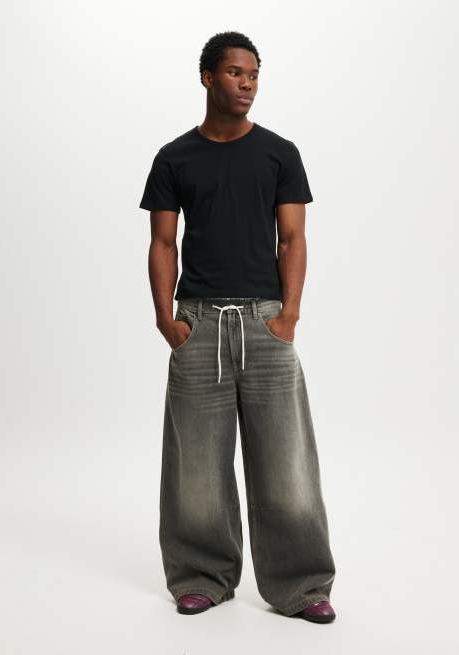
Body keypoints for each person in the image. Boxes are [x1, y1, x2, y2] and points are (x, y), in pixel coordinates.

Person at [139, 31, 336, 624]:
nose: (247, 83)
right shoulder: (174, 157)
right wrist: (167, 319)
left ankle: (302, 586)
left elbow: (293, 239)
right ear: (207, 77)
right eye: (234, 73)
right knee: (197, 467)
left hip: (265, 322)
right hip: (198, 323)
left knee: (287, 463)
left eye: (254, 74)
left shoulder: (279, 153)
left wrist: (288, 316)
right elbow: (163, 242)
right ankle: (202, 577)